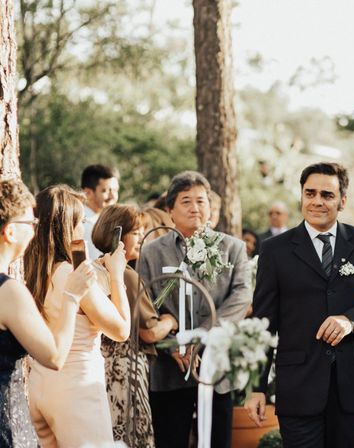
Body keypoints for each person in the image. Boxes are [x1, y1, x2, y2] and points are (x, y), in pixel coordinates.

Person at [245, 162, 354, 448]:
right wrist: (257, 388)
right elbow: (262, 324)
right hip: (298, 383)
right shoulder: (274, 250)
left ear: (342, 201)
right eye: (310, 193)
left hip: (350, 384)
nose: (317, 201)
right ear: (301, 196)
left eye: (327, 195)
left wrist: (350, 321)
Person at [137, 171, 251, 448]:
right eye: (186, 201)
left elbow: (242, 294)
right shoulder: (152, 252)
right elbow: (144, 304)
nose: (195, 208)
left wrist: (203, 335)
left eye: (201, 201)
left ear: (211, 208)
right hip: (169, 368)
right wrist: (171, 345)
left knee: (216, 441)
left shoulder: (232, 248)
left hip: (216, 366)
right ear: (170, 210)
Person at [24, 185, 130, 447]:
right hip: (76, 387)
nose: (83, 228)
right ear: (66, 226)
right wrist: (117, 274)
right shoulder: (72, 276)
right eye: (80, 221)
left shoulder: (33, 271)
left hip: (40, 385)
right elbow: (121, 330)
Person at [0, 180, 94, 448]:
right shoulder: (8, 292)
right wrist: (72, 296)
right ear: (9, 232)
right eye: (30, 225)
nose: (34, 232)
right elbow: (54, 356)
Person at [93, 205, 178, 447]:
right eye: (136, 232)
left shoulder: (95, 267)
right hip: (126, 369)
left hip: (102, 368)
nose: (142, 238)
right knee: (133, 435)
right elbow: (150, 332)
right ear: (117, 235)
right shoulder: (126, 275)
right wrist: (171, 320)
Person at [80, 164, 120, 260]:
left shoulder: (109, 220)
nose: (113, 196)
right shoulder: (80, 223)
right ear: (88, 193)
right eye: (105, 190)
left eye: (115, 190)